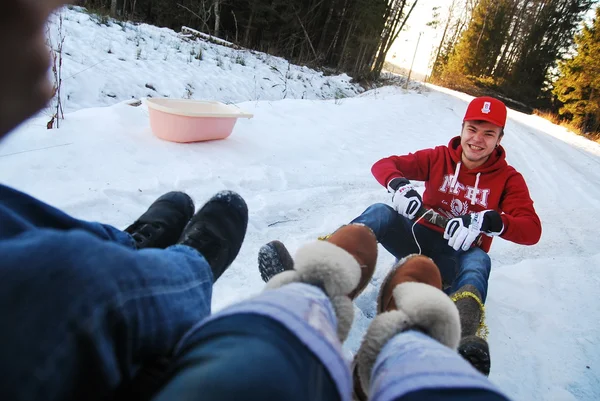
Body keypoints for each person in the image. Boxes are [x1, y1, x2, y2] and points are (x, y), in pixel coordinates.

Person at [259, 95, 543, 375]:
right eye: (472, 129)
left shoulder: (508, 179)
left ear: (499, 139)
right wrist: (399, 186)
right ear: (462, 127)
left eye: (488, 134)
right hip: (417, 241)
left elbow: (532, 230)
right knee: (381, 211)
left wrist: (490, 220)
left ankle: (462, 337)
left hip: (457, 259)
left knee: (480, 260)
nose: (477, 140)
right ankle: (312, 280)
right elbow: (383, 164)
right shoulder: (438, 158)